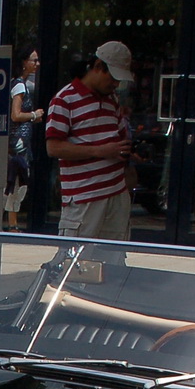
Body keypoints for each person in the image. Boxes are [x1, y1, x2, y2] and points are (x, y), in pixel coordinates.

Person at [43, 39, 135, 241]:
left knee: (113, 259)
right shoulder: (64, 99)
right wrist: (100, 151)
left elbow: (120, 140)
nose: (115, 84)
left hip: (116, 194)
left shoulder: (112, 100)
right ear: (98, 67)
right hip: (84, 198)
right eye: (112, 78)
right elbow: (54, 147)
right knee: (78, 261)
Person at [4, 48, 41, 232]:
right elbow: (16, 115)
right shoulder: (19, 86)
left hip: (21, 142)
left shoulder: (21, 84)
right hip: (18, 143)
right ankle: (12, 224)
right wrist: (34, 115)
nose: (37, 64)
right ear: (24, 62)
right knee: (16, 181)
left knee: (16, 180)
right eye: (34, 60)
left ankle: (12, 222)